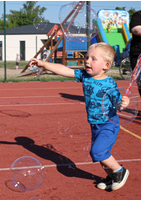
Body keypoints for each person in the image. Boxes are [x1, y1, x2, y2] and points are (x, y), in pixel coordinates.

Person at [30, 42, 130, 191]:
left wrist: (124, 102)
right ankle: (112, 177)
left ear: (106, 65)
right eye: (87, 57)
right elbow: (65, 70)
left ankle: (120, 172)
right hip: (94, 125)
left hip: (109, 124)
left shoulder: (110, 83)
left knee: (97, 151)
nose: (87, 61)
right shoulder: (84, 76)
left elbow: (117, 105)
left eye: (93, 59)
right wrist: (44, 63)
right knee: (99, 156)